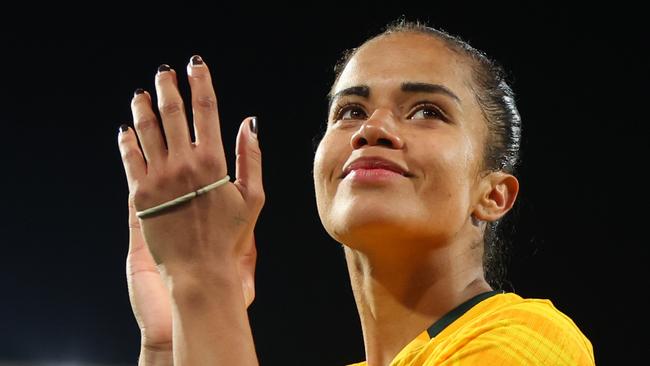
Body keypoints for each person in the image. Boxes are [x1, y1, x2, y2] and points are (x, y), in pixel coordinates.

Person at [117, 20, 595, 365]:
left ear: (493, 195)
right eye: (349, 110)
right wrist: (168, 342)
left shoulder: (533, 343)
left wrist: (206, 284)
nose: (373, 128)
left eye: (427, 110)